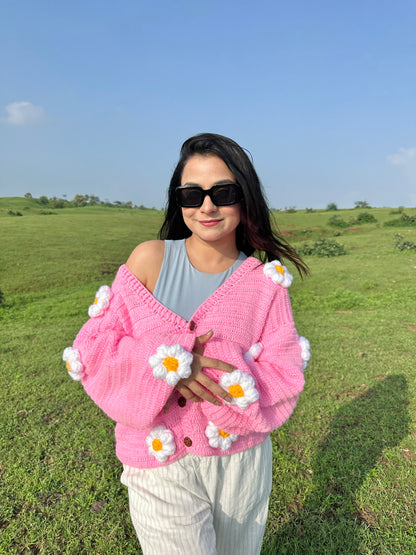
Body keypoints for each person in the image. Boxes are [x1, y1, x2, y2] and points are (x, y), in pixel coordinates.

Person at [62, 133, 310, 555]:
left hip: (240, 461)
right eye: (192, 194)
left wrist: (212, 368)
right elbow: (94, 346)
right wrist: (170, 364)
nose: (207, 206)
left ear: (244, 197)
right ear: (179, 200)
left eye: (223, 192)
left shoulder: (264, 283)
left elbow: (285, 369)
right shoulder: (148, 259)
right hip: (157, 460)